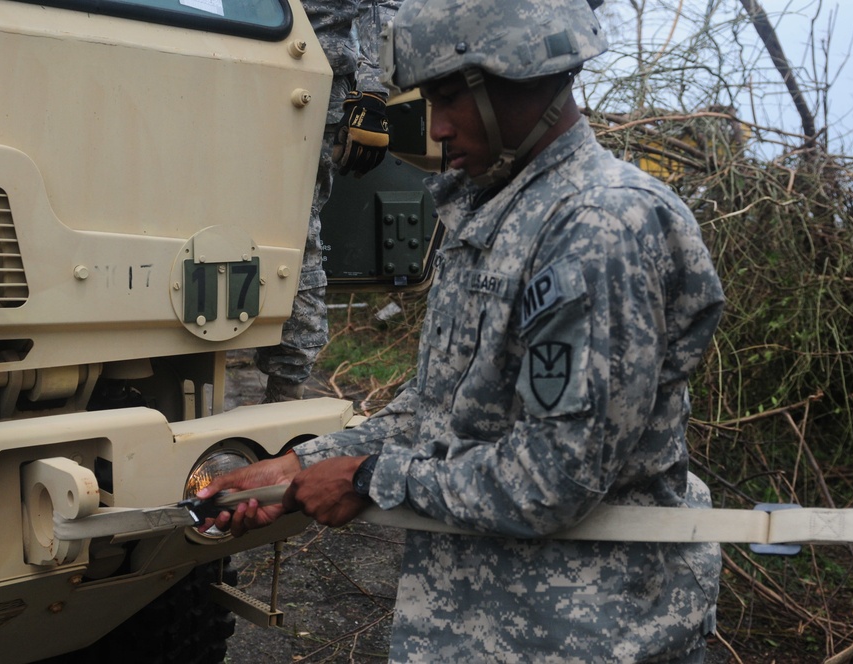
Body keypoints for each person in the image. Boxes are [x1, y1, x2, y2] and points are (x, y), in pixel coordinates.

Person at [205, 0, 725, 660]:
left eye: (450, 96)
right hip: (479, 629)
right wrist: (297, 466)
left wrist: (367, 479)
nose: (435, 126)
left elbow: (551, 477)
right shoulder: (492, 210)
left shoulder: (601, 228)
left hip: (578, 638)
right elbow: (434, 412)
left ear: (520, 80)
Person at [257, 0, 402, 403]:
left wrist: (373, 92)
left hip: (310, 76)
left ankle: (286, 388)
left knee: (294, 225)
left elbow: (384, 3)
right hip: (214, 54)